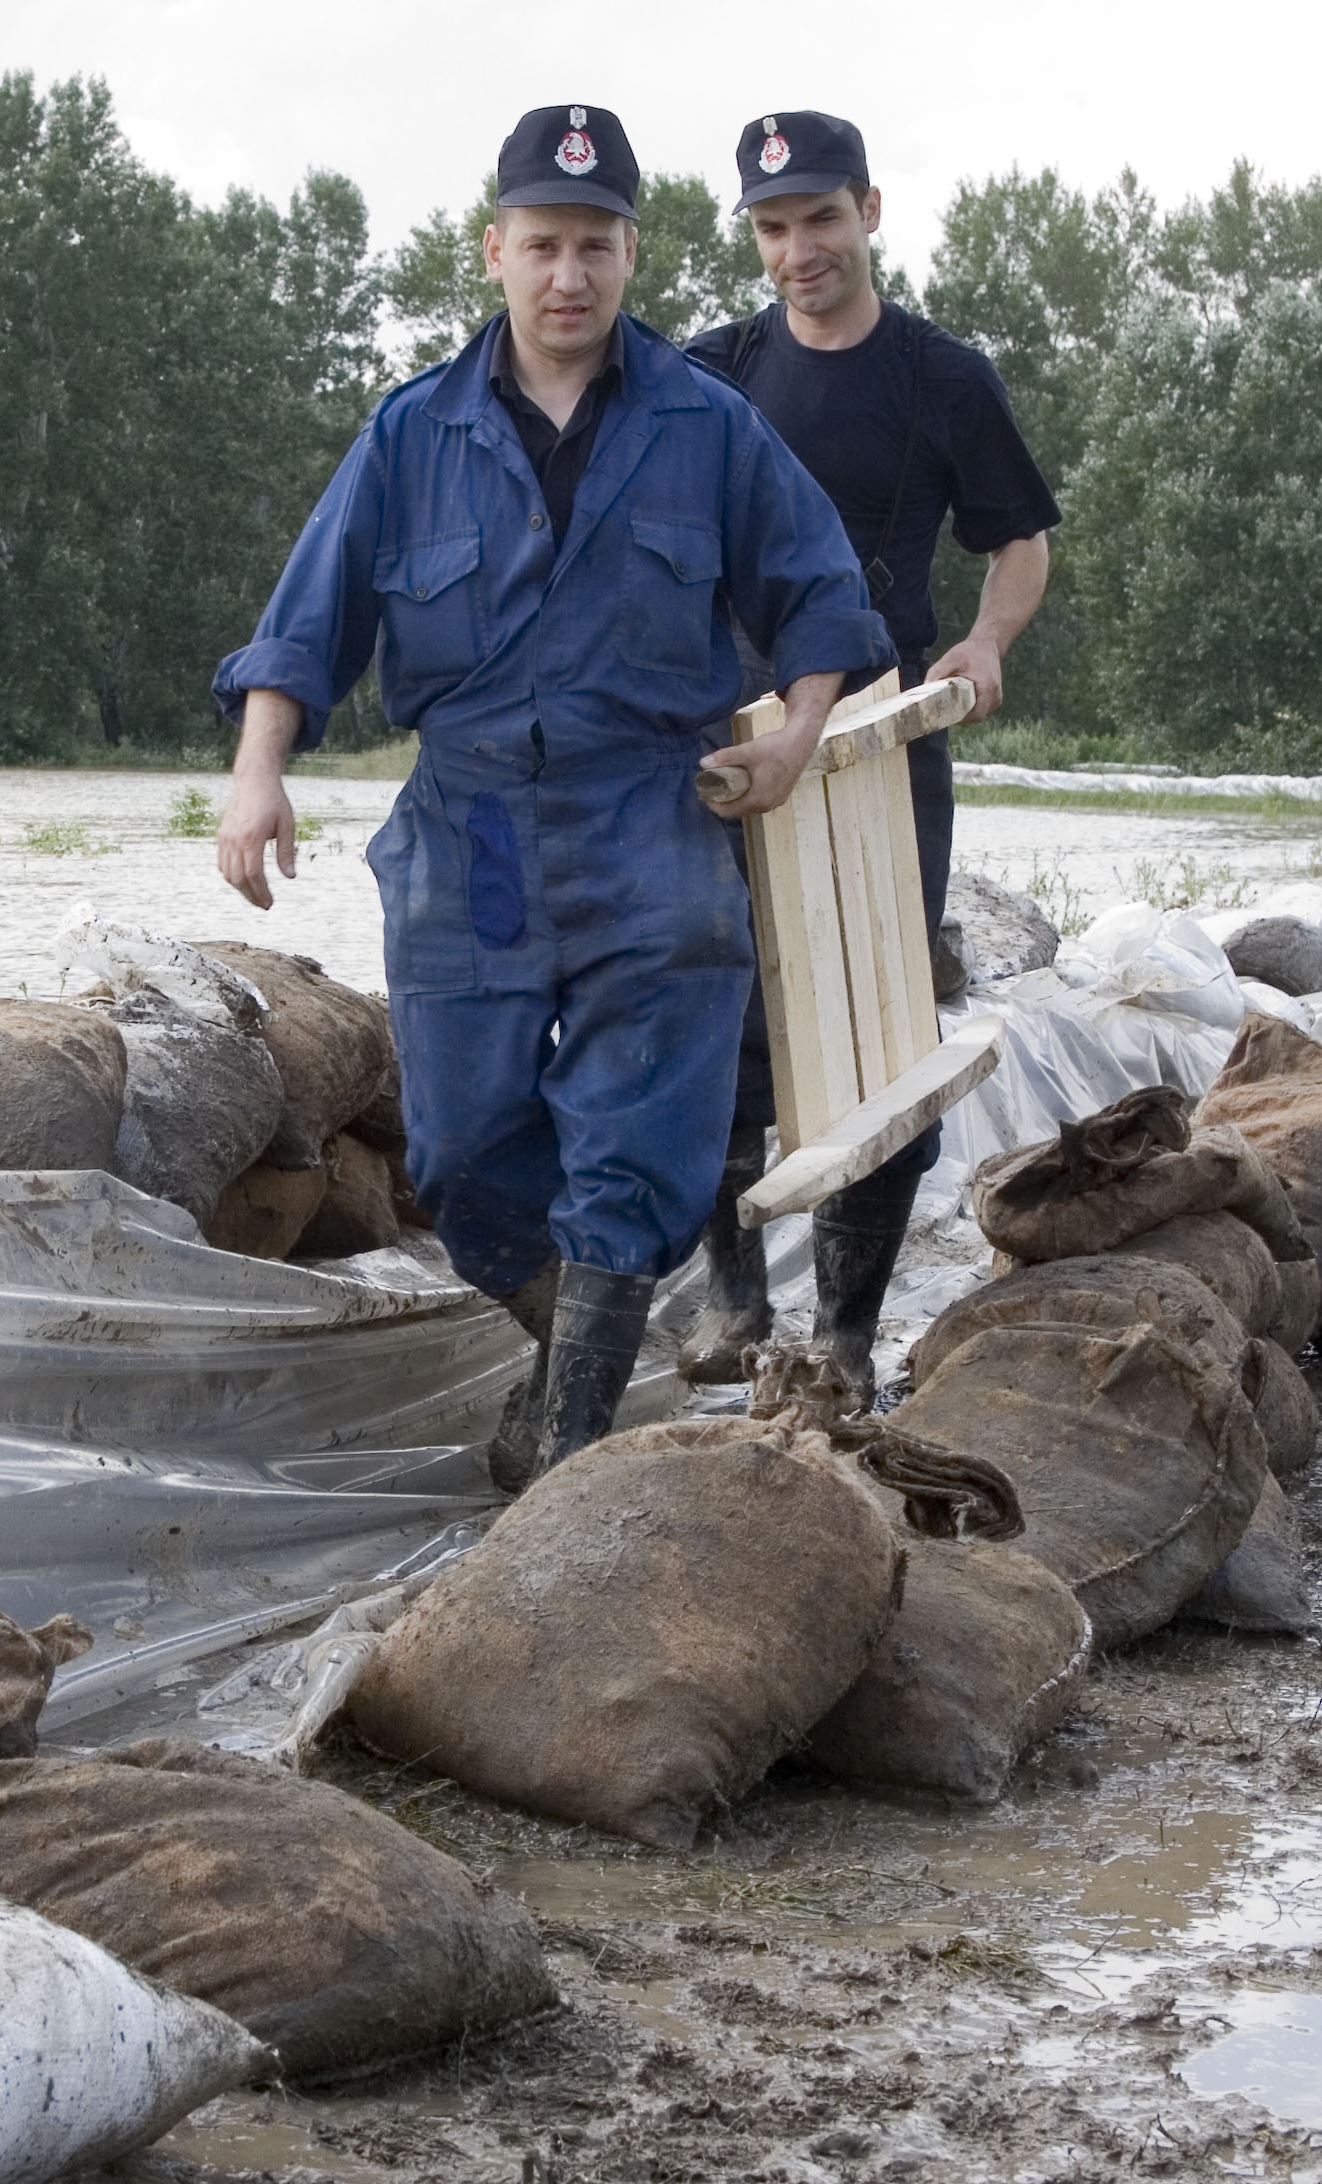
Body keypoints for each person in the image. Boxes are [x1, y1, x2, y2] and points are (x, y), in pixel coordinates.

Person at [213, 102, 894, 1482]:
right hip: (472, 832)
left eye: (595, 245)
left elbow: (821, 592)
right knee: (462, 1156)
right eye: (543, 246)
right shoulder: (412, 433)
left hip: (653, 819)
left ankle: (568, 1449)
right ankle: (581, 1368)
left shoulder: (707, 426)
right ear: (496, 252)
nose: (569, 276)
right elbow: (307, 622)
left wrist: (795, 736)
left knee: (639, 1142)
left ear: (632, 253)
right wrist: (257, 774)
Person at [679, 110, 1062, 1398]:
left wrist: (987, 640)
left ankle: (845, 1333)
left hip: (883, 743)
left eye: (821, 220)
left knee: (881, 1031)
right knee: (717, 1011)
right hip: (736, 743)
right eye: (774, 228)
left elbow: (1020, 539)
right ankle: (734, 1301)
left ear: (870, 212)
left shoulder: (944, 377)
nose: (800, 251)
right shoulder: (716, 371)